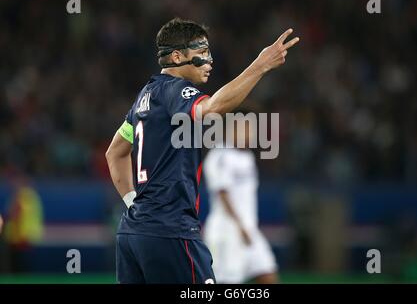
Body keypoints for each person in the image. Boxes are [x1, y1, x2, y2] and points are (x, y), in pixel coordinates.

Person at [105, 17, 299, 284]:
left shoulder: (144, 97)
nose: (209, 61)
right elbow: (212, 109)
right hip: (171, 231)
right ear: (176, 57)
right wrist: (261, 65)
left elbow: (114, 153)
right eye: (201, 53)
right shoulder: (177, 91)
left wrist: (131, 202)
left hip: (132, 233)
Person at [203, 116, 279, 284]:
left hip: (249, 229)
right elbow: (223, 194)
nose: (249, 134)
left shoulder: (248, 157)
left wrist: (247, 227)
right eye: (244, 129)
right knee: (228, 281)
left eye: (250, 130)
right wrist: (239, 225)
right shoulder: (220, 155)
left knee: (267, 273)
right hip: (227, 230)